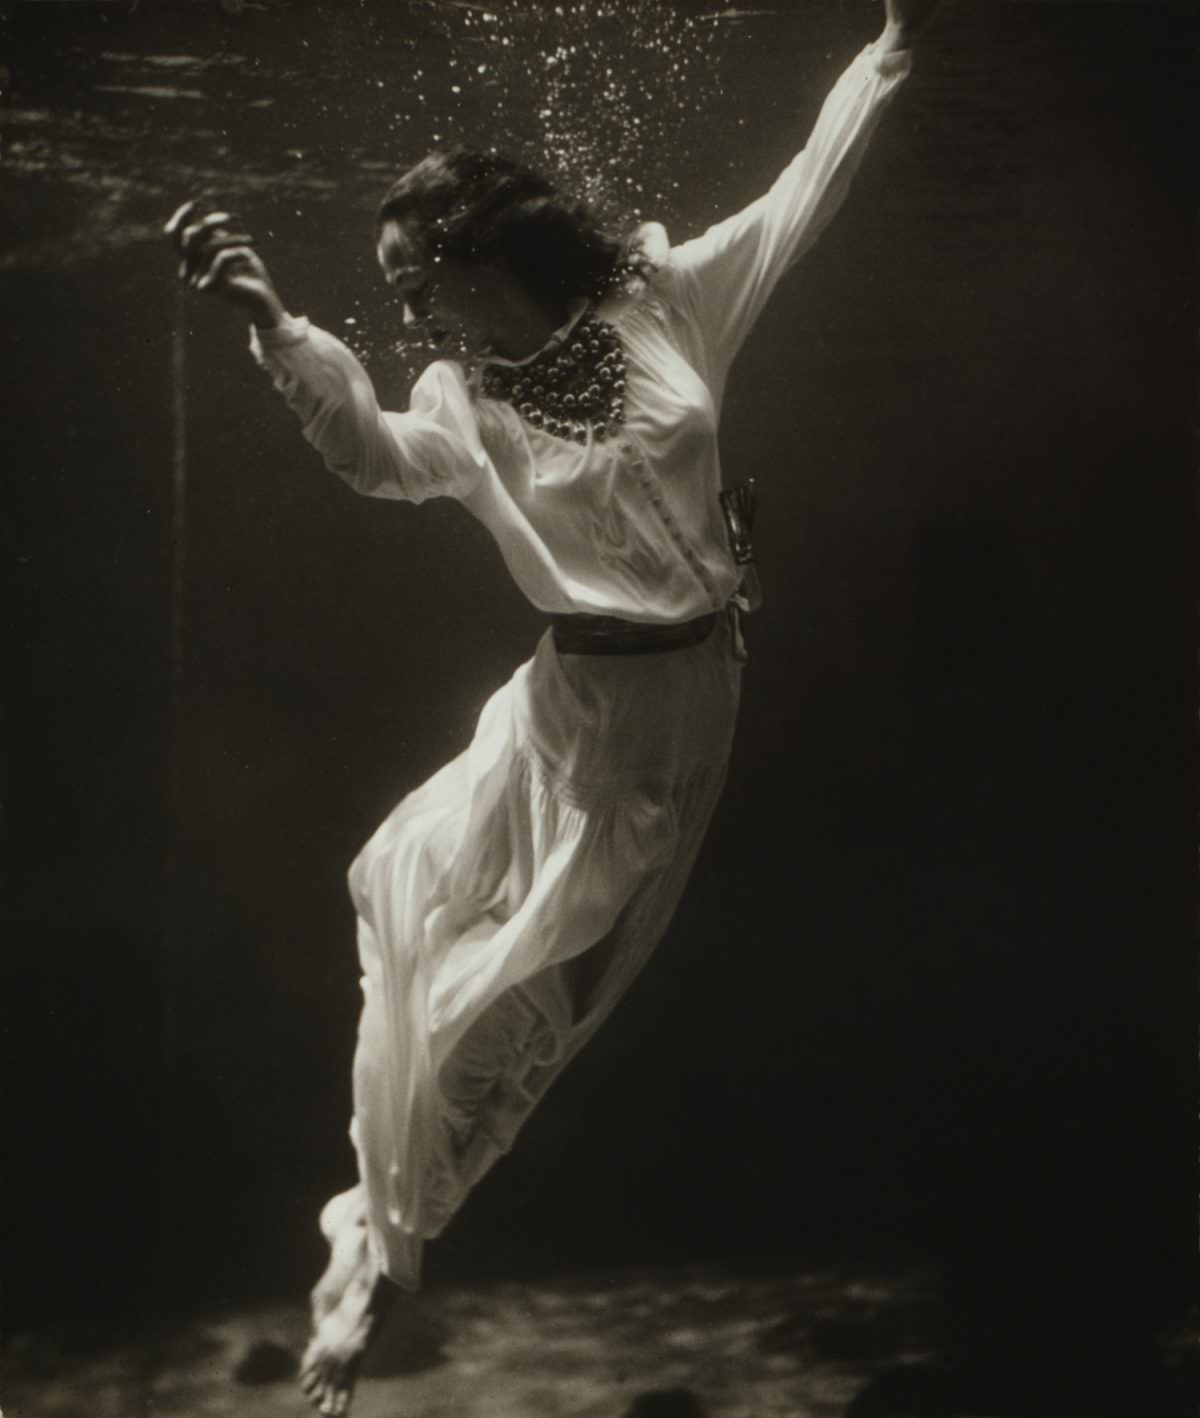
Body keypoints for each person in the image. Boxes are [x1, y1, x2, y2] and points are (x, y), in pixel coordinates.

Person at [167, 2, 939, 1412]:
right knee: (406, 917)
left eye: (416, 279)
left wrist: (887, 50)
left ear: (481, 250)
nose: (405, 310)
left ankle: (384, 1256)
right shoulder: (460, 399)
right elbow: (381, 459)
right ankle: (383, 1252)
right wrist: (279, 325)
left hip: (676, 713)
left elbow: (798, 197)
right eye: (392, 293)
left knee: (513, 1001)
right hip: (559, 700)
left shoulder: (665, 297)